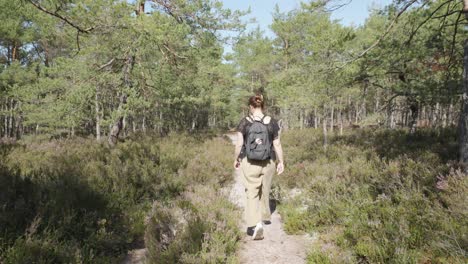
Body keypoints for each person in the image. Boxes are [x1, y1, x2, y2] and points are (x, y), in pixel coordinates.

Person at [233, 94, 284, 240]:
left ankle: (253, 226)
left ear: (250, 107)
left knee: (252, 192)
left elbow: (238, 144)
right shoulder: (272, 122)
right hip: (268, 162)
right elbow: (277, 144)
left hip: (249, 162)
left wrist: (236, 158)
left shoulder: (245, 122)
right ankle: (265, 216)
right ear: (263, 106)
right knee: (265, 189)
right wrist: (281, 161)